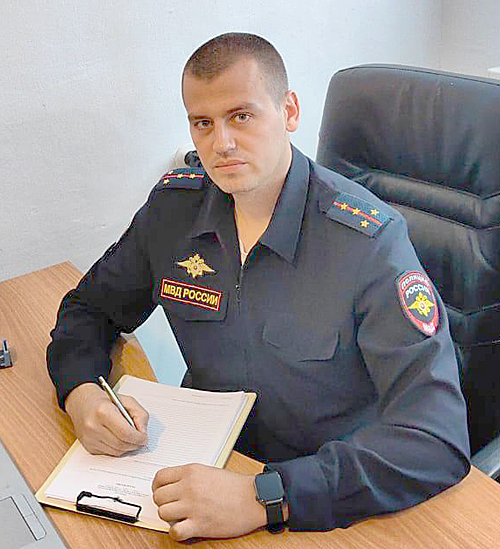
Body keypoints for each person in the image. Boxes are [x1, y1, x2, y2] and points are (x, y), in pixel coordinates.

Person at [47, 33, 470, 541]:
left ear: (289, 111)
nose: (220, 143)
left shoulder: (368, 242)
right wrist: (81, 392)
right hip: (201, 467)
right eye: (203, 123)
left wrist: (266, 497)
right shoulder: (173, 211)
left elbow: (436, 439)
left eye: (241, 116)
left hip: (324, 494)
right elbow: (89, 310)